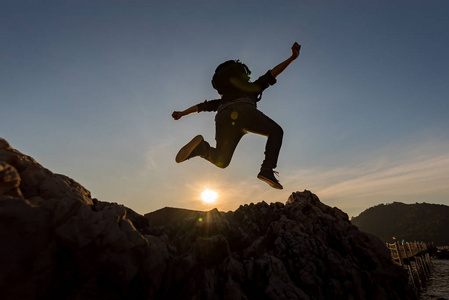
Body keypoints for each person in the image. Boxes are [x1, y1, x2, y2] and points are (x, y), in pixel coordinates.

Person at [172, 42, 301, 189]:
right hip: (245, 111)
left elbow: (203, 106)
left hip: (223, 116)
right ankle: (267, 169)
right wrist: (292, 58)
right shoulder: (252, 87)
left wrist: (183, 113)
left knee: (222, 160)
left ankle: (202, 149)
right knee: (276, 131)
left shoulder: (222, 99)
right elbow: (273, 73)